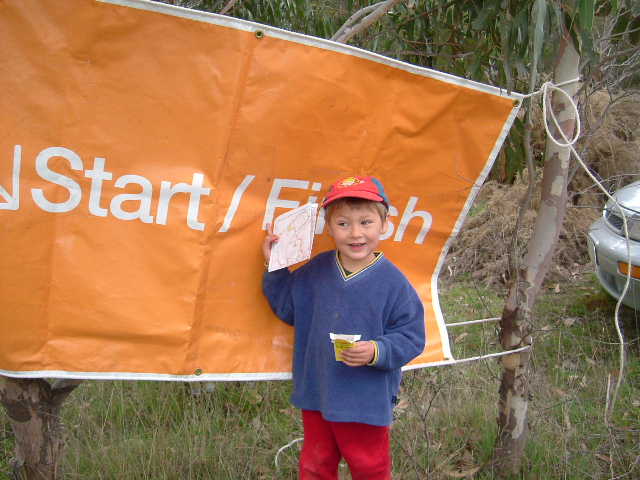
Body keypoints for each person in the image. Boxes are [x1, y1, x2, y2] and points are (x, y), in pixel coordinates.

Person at [262, 175, 426, 480]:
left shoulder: (393, 283)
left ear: (384, 225)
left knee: (369, 467)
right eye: (343, 223)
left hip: (365, 397)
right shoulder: (317, 270)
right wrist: (276, 266)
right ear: (329, 227)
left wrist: (376, 350)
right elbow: (287, 307)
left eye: (366, 222)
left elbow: (412, 336)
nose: (355, 233)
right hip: (317, 391)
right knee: (316, 464)